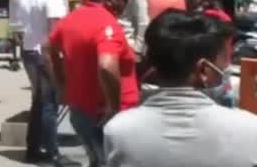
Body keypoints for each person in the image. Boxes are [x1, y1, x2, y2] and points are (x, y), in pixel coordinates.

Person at [104, 11, 257, 167]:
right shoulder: (250, 129)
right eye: (225, 62)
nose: (227, 69)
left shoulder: (117, 131)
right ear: (204, 70)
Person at [49, 0, 138, 167]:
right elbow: (106, 66)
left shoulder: (71, 19)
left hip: (80, 110)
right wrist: (113, 108)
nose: (126, 5)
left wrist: (61, 84)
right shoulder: (107, 25)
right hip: (107, 115)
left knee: (96, 161)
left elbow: (48, 49)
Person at [15, 0, 70, 165]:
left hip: (29, 51)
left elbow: (19, 30)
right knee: (49, 104)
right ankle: (53, 152)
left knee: (38, 102)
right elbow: (54, 31)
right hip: (45, 54)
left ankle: (33, 148)